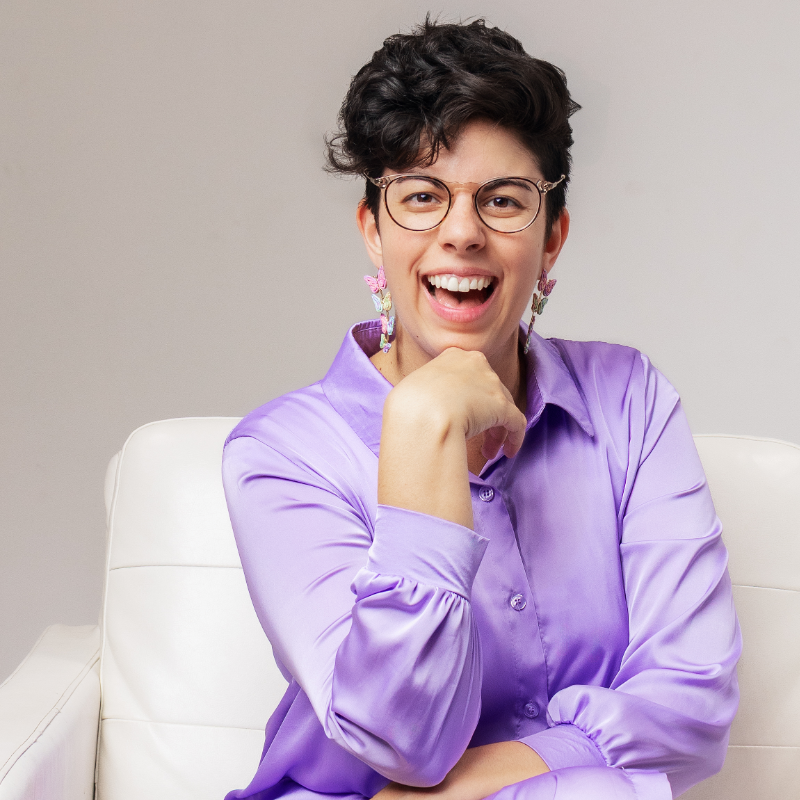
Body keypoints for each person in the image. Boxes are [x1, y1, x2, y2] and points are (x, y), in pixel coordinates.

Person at [221, 18, 741, 800]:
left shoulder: (628, 401)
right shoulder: (281, 454)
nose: (461, 233)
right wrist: (420, 430)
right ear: (373, 231)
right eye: (421, 197)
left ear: (552, 238)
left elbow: (693, 705)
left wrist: (488, 780)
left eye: (502, 200)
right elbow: (404, 742)